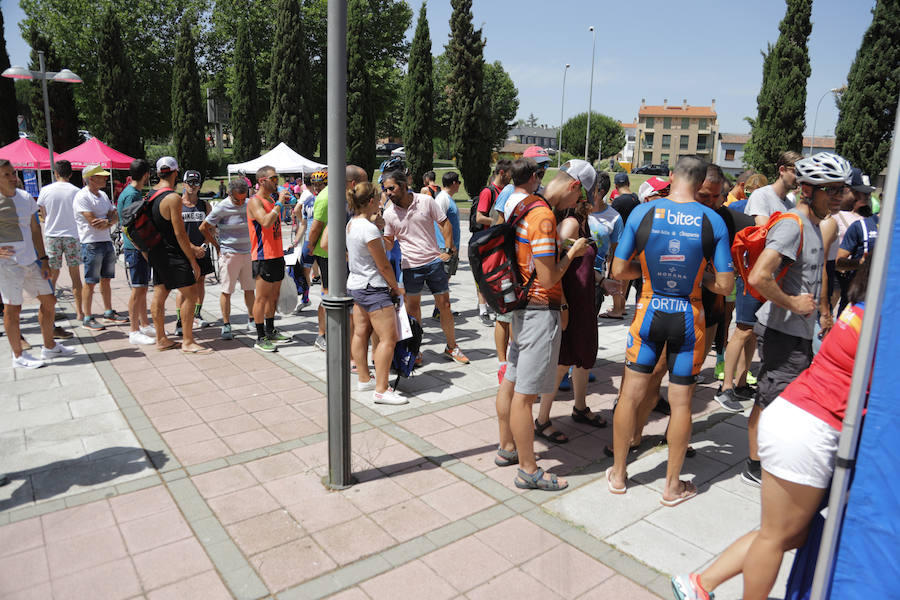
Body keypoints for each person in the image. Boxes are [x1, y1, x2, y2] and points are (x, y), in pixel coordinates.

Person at [672, 263, 869, 600]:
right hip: (807, 429)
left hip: (800, 420)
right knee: (777, 536)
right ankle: (700, 586)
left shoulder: (864, 310)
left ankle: (699, 584)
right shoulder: (879, 320)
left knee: (790, 534)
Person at [609, 156, 734, 506]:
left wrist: (650, 273)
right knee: (681, 404)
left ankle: (619, 475)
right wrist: (698, 276)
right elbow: (725, 285)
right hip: (688, 314)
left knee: (630, 395)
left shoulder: (644, 212)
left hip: (650, 308)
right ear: (701, 184)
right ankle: (671, 486)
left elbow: (619, 269)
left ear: (671, 176)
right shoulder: (713, 220)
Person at [739, 152, 850, 487]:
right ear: (806, 189)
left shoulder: (817, 226)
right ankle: (755, 464)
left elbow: (816, 275)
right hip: (781, 330)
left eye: (839, 190)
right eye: (829, 190)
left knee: (780, 394)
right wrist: (793, 302)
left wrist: (823, 311)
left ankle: (768, 457)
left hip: (799, 329)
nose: (837, 196)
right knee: (772, 395)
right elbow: (759, 277)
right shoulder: (793, 224)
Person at [493, 158, 590, 491]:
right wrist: (572, 252)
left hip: (518, 305)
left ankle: (507, 448)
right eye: (579, 199)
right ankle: (528, 469)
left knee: (512, 381)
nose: (576, 206)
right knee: (525, 396)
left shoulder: (522, 204)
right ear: (574, 186)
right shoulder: (544, 217)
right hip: (538, 309)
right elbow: (548, 276)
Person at [714, 152, 801, 420]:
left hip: (774, 275)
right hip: (754, 273)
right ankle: (725, 386)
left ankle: (741, 382)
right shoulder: (762, 196)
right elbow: (765, 232)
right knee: (741, 329)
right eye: (796, 171)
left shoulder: (790, 201)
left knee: (753, 331)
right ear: (782, 169)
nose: (799, 177)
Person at [534, 160, 607, 442]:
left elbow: (580, 264)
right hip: (571, 305)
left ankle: (579, 406)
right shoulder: (569, 223)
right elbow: (553, 268)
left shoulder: (579, 223)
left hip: (583, 302)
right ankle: (542, 418)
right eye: (584, 197)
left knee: (583, 359)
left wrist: (601, 280)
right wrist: (563, 305)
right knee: (563, 363)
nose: (588, 201)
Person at [381, 168, 469, 365]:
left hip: (434, 262)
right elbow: (388, 243)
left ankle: (452, 346)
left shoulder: (426, 201)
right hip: (410, 266)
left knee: (444, 306)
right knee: (413, 310)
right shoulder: (389, 214)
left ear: (403, 185)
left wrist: (448, 249)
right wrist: (376, 231)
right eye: (385, 190)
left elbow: (445, 223)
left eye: (391, 189)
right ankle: (416, 350)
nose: (388, 193)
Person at [0, 159, 76, 368]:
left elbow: (35, 229)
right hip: (7, 264)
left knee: (49, 300)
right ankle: (18, 356)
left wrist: (43, 259)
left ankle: (49, 348)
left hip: (31, 260)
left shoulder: (25, 197)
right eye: (6, 174)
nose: (12, 177)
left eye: (13, 173)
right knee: (13, 308)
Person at [346, 181, 405, 405]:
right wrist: (395, 286)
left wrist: (377, 225)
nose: (382, 200)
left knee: (360, 332)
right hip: (373, 287)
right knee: (388, 339)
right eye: (379, 197)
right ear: (371, 201)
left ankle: (364, 378)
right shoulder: (368, 229)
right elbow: (383, 265)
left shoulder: (353, 223)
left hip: (357, 284)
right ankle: (381, 389)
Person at [146, 157, 209, 354]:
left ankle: (161, 339)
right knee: (191, 295)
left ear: (158, 173)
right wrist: (192, 260)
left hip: (157, 252)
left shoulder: (150, 195)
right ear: (175, 173)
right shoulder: (172, 198)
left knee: (159, 294)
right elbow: (179, 234)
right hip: (173, 254)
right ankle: (188, 341)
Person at [307, 166, 367, 351]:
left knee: (341, 296)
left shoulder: (344, 196)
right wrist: (310, 248)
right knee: (328, 295)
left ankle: (340, 332)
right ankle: (322, 335)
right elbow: (317, 228)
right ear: (354, 183)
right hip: (329, 256)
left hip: (341, 255)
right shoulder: (329, 197)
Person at [73, 164, 128, 331]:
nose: (105, 178)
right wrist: (108, 220)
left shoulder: (103, 195)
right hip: (91, 244)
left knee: (106, 279)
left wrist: (108, 221)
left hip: (105, 242)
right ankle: (88, 317)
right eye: (101, 176)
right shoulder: (82, 196)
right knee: (90, 282)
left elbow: (115, 214)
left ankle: (108, 312)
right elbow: (94, 222)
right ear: (91, 178)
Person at [200, 178, 256, 341]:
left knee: (249, 288)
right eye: (236, 199)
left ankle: (251, 319)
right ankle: (226, 324)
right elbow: (204, 227)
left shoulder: (249, 203)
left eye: (243, 198)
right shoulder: (222, 206)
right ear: (229, 194)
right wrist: (217, 246)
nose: (240, 202)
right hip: (229, 254)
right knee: (227, 290)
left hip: (248, 253)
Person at [36, 159, 83, 330]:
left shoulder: (46, 190)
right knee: (75, 276)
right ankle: (80, 312)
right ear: (70, 174)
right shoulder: (77, 191)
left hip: (52, 236)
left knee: (52, 278)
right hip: (72, 235)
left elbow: (43, 213)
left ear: (55, 173)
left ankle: (51, 311)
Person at [247, 165, 290, 352]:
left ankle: (270, 329)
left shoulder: (272, 200)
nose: (277, 182)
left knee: (274, 296)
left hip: (277, 254)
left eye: (277, 178)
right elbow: (265, 222)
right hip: (263, 256)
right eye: (273, 179)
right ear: (262, 181)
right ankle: (260, 336)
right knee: (262, 298)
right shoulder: (254, 202)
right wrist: (280, 203)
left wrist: (281, 203)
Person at [116, 159, 156, 345]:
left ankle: (145, 323)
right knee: (138, 289)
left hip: (137, 248)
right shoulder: (132, 195)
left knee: (142, 288)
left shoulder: (132, 193)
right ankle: (134, 330)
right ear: (146, 175)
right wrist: (143, 249)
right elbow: (129, 227)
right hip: (135, 249)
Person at [173, 170, 214, 336]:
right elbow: (175, 232)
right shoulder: (177, 204)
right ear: (183, 184)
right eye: (189, 182)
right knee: (183, 287)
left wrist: (203, 247)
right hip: (184, 251)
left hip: (202, 251)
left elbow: (210, 230)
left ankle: (196, 313)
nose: (193, 186)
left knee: (200, 283)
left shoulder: (205, 205)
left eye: (196, 183)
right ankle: (179, 321)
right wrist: (191, 248)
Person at [475, 160, 512, 326]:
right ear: (502, 173)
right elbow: (479, 217)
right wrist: (498, 222)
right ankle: (482, 309)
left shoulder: (504, 190)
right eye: (510, 174)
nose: (512, 178)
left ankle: (492, 304)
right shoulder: (488, 192)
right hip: (486, 239)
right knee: (483, 275)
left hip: (497, 238)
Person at [431, 171, 461, 320]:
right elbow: (439, 221)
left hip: (450, 246)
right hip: (445, 247)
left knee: (445, 279)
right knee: (442, 280)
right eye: (459, 182)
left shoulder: (447, 198)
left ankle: (440, 308)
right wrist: (449, 245)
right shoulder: (442, 198)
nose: (460, 185)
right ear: (454, 183)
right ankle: (440, 310)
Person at [290, 173, 319, 311]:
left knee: (325, 271)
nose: (317, 188)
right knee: (304, 270)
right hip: (309, 240)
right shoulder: (308, 201)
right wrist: (296, 241)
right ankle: (306, 299)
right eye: (315, 184)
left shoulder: (326, 200)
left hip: (323, 241)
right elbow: (304, 224)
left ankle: (327, 299)